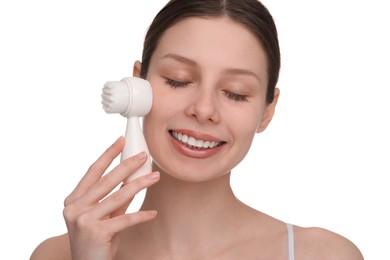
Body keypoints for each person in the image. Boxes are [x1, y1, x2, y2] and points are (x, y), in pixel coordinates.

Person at [31, 0, 363, 259]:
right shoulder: (59, 255)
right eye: (178, 80)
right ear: (138, 83)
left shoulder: (323, 255)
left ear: (267, 110)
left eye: (235, 92)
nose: (203, 110)